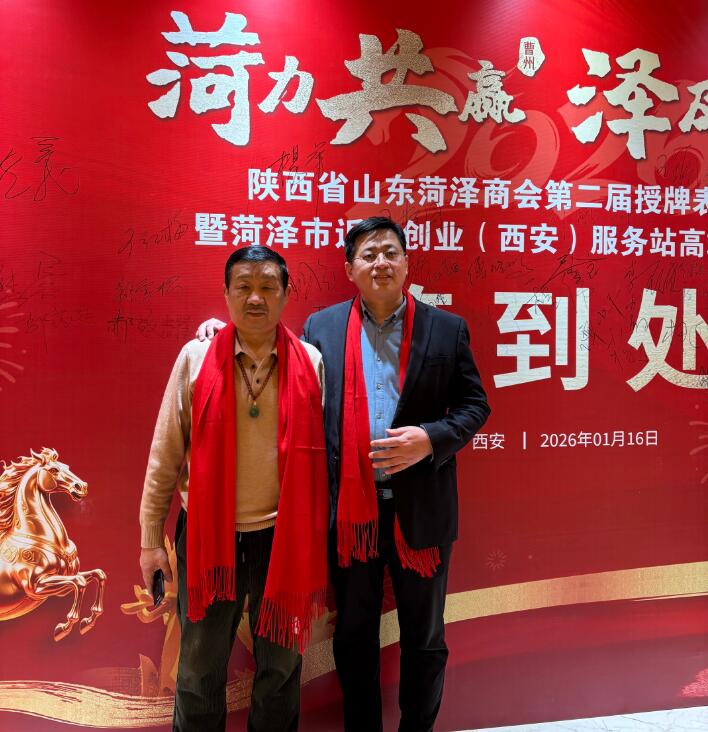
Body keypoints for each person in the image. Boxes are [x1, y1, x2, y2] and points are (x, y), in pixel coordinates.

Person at [198, 217, 490, 732]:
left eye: (390, 253)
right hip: (349, 517)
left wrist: (430, 439)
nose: (381, 263)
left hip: (422, 511)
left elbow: (474, 406)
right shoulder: (322, 329)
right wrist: (219, 333)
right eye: (368, 255)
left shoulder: (447, 329)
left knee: (424, 639)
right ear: (350, 268)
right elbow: (277, 356)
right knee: (353, 636)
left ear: (407, 263)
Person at [140, 246, 329, 732]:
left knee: (281, 669)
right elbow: (164, 455)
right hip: (209, 539)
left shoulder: (310, 362)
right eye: (243, 286)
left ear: (286, 294)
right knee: (198, 670)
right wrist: (150, 541)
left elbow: (319, 461)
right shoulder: (196, 357)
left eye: (268, 287)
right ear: (226, 294)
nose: (255, 298)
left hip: (283, 540)